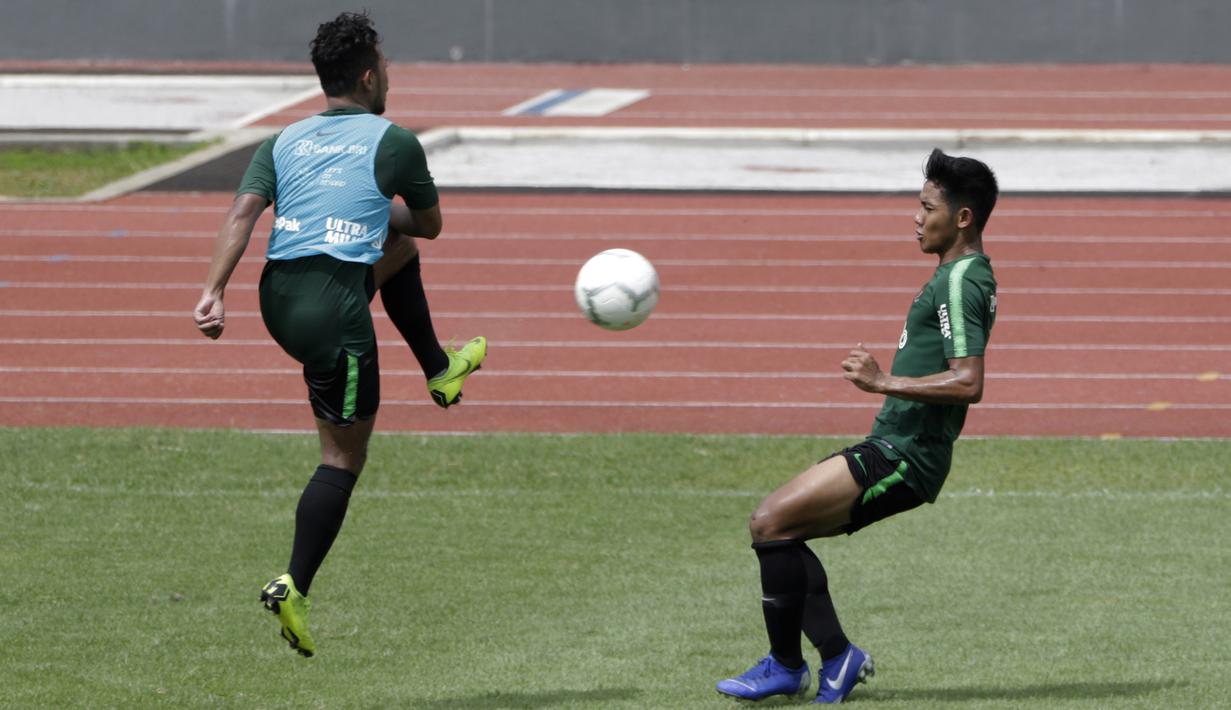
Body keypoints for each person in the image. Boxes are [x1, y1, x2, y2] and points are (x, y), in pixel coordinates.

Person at [191, 11, 486, 658]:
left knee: (393, 246)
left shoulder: (284, 140)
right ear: (369, 74)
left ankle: (439, 368)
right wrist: (380, 199)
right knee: (343, 457)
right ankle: (294, 583)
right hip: (334, 316)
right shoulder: (396, 142)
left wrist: (213, 291)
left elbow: (242, 212)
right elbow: (430, 223)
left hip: (278, 298)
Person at [715, 149, 999, 703]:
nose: (916, 217)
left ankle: (788, 665)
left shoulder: (961, 281)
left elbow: (969, 382)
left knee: (771, 520)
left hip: (906, 454)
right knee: (780, 529)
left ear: (962, 218)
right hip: (890, 443)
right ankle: (835, 658)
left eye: (926, 206)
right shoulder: (953, 274)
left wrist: (881, 381)